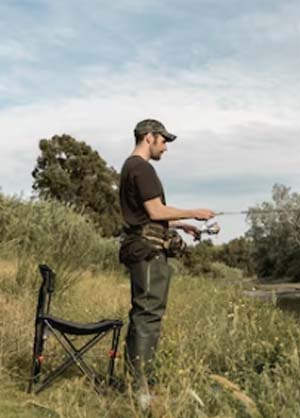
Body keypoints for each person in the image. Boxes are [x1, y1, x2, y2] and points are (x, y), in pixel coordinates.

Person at [118, 119, 214, 408]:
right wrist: (194, 211)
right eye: (163, 141)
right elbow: (155, 209)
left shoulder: (130, 167)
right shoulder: (142, 167)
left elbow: (149, 214)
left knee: (143, 314)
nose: (166, 147)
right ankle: (141, 392)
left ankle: (136, 383)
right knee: (148, 316)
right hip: (147, 251)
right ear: (149, 137)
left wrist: (183, 224)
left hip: (142, 247)